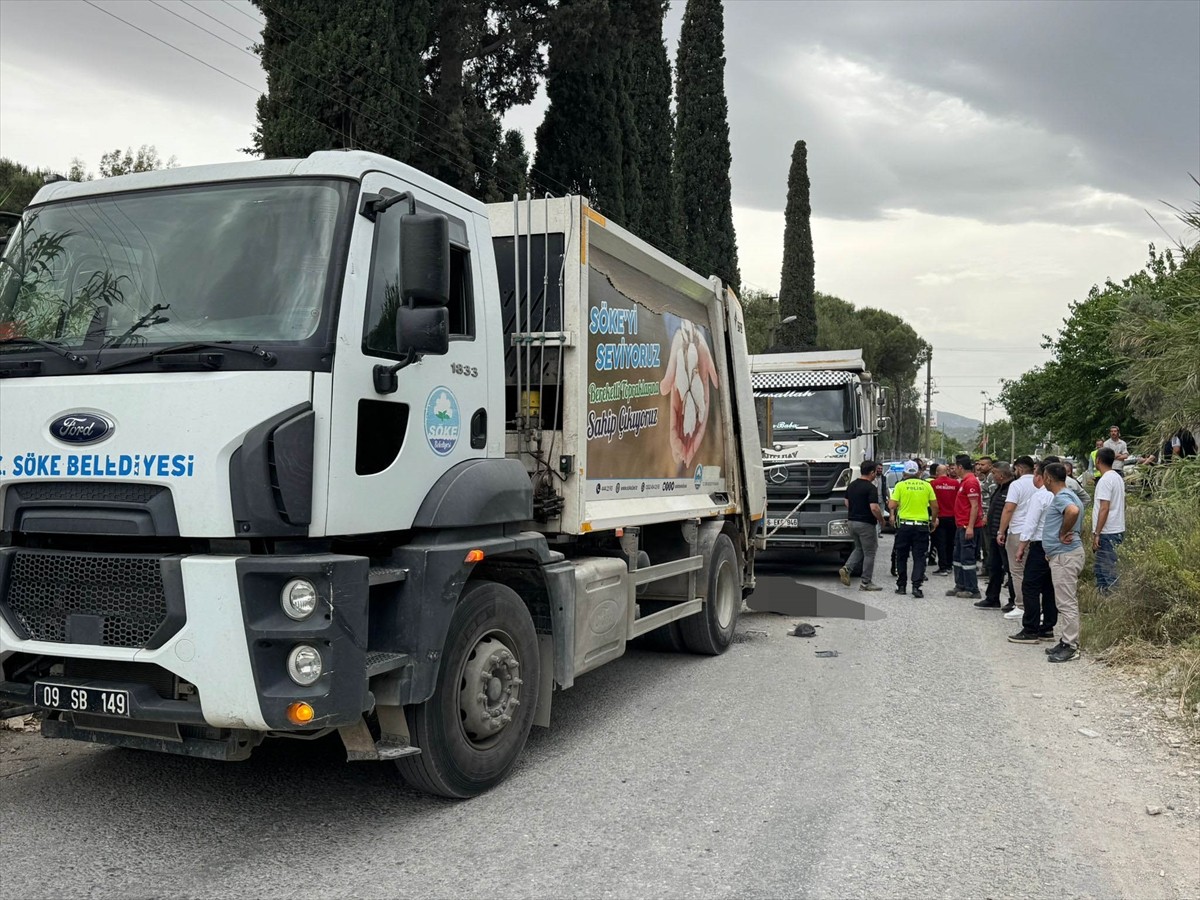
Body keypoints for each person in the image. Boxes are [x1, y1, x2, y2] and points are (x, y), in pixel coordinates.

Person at [1042, 463, 1085, 663]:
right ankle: (1066, 640)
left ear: (1048, 478)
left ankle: (1071, 645)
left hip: (1065, 556)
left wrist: (1062, 533)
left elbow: (1073, 511)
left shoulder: (1063, 498)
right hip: (1061, 554)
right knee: (1064, 600)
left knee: (1066, 602)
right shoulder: (1070, 493)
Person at [1009, 462, 1057, 643]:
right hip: (1054, 545)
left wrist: (1021, 547)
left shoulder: (1040, 496)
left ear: (1043, 476)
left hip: (1039, 544)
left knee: (1030, 586)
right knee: (1049, 587)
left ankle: (1030, 629)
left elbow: (1031, 523)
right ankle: (1047, 628)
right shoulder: (1062, 495)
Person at [888, 460, 939, 598]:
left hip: (904, 526)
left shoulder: (900, 485)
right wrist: (933, 521)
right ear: (918, 472)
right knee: (919, 557)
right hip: (922, 526)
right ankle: (916, 587)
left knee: (902, 556)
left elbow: (892, 505)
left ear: (904, 472)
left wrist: (895, 502)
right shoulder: (926, 485)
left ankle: (902, 586)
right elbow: (935, 507)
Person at [997, 456, 1037, 619]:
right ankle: (1035, 606)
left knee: (1017, 571)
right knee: (1032, 572)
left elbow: (1008, 509)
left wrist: (1001, 531)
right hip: (1035, 533)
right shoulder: (1039, 484)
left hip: (1018, 531)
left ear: (1019, 469)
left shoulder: (1017, 484)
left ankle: (1021, 605)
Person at [975, 462, 1017, 610]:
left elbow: (1009, 510)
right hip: (994, 533)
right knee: (994, 567)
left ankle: (1014, 600)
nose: (992, 476)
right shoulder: (1000, 488)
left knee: (1010, 568)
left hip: (1004, 534)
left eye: (994, 473)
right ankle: (992, 598)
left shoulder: (1013, 487)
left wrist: (1002, 531)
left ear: (1001, 474)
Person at [840, 459, 885, 592]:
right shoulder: (871, 488)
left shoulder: (852, 485)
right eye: (875, 472)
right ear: (871, 472)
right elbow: (874, 508)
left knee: (859, 548)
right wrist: (881, 520)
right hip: (866, 523)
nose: (876, 475)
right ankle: (866, 582)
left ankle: (847, 568)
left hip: (852, 522)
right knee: (870, 552)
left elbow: (846, 502)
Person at [1091, 447, 1126, 592]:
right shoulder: (1117, 477)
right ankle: (1104, 600)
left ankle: (1113, 599)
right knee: (1102, 568)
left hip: (1107, 531)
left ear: (1098, 460)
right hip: (1116, 528)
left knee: (1107, 571)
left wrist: (1097, 533)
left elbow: (1104, 508)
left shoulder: (1105, 480)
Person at [948, 453, 982, 599]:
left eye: (955, 466)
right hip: (960, 525)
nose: (954, 469)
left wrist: (970, 526)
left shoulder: (971, 482)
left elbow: (974, 506)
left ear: (960, 467)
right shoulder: (964, 481)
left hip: (967, 526)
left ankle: (972, 589)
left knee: (967, 558)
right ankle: (960, 584)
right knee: (958, 557)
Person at [930, 464, 959, 575]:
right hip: (952, 517)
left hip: (939, 517)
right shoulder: (955, 483)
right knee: (951, 542)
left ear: (937, 472)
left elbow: (931, 502)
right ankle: (949, 565)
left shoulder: (933, 484)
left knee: (940, 543)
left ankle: (942, 567)